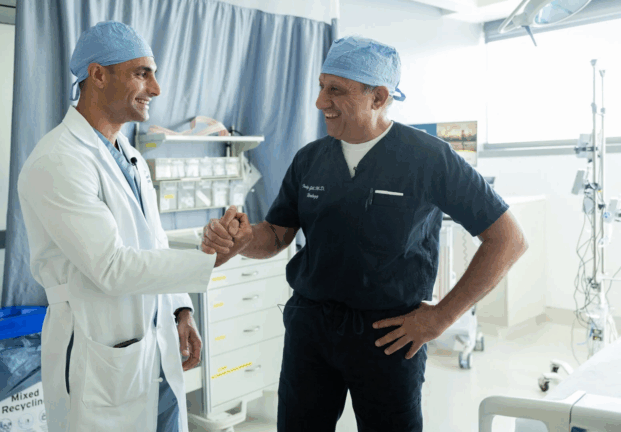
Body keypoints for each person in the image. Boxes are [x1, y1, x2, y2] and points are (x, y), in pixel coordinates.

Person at [201, 36, 528, 431]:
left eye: (336, 90)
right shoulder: (310, 159)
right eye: (321, 87)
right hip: (311, 328)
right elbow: (276, 234)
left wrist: (441, 318)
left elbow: (508, 239)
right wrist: (242, 240)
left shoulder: (428, 158)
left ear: (378, 98)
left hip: (390, 334)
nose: (321, 102)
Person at [17, 21, 239, 432]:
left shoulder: (129, 155)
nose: (156, 89)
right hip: (96, 348)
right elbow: (111, 267)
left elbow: (151, 243)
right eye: (142, 73)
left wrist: (181, 309)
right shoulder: (59, 160)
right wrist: (208, 260)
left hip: (155, 346)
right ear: (98, 75)